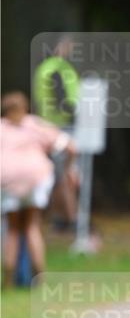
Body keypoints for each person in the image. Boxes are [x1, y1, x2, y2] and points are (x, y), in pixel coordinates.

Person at [0, 91, 77, 287]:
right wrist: (67, 170)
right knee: (32, 226)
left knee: (13, 229)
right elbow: (69, 146)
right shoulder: (34, 125)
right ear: (25, 108)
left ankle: (7, 281)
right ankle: (39, 277)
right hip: (36, 178)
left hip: (7, 180)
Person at [32, 35, 80, 229]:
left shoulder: (43, 68)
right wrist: (75, 116)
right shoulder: (58, 68)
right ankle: (71, 219)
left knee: (56, 174)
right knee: (64, 174)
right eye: (69, 44)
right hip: (60, 128)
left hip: (47, 125)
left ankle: (59, 218)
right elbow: (64, 100)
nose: (71, 48)